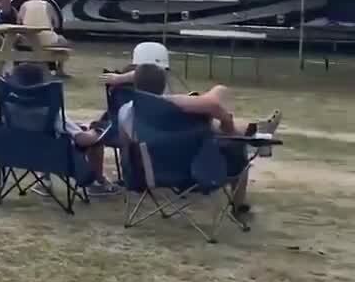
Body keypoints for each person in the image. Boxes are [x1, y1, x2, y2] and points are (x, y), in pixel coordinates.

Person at [120, 64, 281, 216]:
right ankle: (239, 205)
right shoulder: (177, 106)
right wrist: (229, 127)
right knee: (237, 148)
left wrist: (131, 178)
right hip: (197, 172)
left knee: (214, 128)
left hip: (150, 175)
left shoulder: (125, 112)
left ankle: (255, 133)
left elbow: (126, 151)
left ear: (135, 86)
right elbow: (213, 105)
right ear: (164, 86)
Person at [8, 64, 120, 196]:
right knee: (91, 138)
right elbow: (82, 139)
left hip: (14, 153)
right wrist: (98, 131)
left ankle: (44, 181)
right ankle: (97, 183)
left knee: (43, 135)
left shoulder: (3, 106)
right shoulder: (50, 112)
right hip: (51, 155)